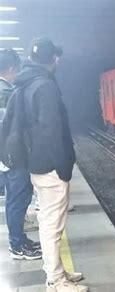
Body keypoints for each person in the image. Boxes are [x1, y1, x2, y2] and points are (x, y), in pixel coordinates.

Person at [17, 37, 87, 292]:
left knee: (50, 222)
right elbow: (51, 129)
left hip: (37, 161)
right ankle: (56, 281)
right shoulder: (45, 86)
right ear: (54, 59)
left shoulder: (27, 82)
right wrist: (64, 166)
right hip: (50, 165)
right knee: (52, 225)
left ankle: (57, 272)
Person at [0, 49, 42, 260]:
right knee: (17, 201)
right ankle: (17, 245)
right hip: (12, 157)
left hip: (5, 158)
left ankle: (18, 240)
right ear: (13, 69)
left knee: (12, 201)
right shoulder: (6, 93)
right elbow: (10, 130)